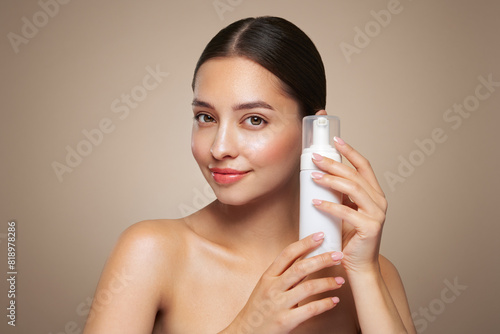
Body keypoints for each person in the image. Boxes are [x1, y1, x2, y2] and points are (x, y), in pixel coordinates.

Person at [83, 16, 416, 333]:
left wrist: (365, 273)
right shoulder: (151, 252)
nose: (219, 147)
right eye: (205, 117)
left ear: (314, 131)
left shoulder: (371, 271)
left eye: (254, 119)